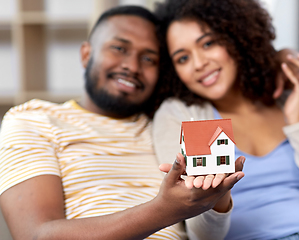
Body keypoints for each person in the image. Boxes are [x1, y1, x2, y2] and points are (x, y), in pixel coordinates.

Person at [0, 6, 246, 240]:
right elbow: (36, 235)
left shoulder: (165, 125)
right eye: (119, 48)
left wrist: (215, 198)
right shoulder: (33, 119)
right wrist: (165, 210)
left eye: (149, 58)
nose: (132, 66)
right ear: (87, 54)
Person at [152, 0, 299, 239]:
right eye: (182, 58)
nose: (199, 64)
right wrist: (217, 195)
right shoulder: (182, 114)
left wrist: (298, 124)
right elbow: (204, 236)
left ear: (236, 35)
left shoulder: (292, 99)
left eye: (208, 43)